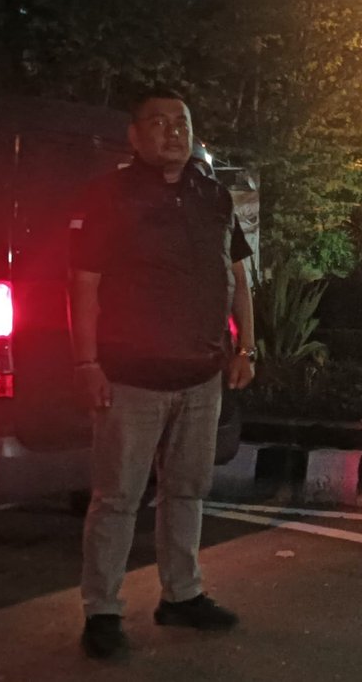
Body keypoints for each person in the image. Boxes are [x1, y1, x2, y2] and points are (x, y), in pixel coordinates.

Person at [68, 88, 257, 660]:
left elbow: (238, 277)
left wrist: (246, 348)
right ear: (134, 135)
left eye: (182, 122)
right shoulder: (109, 197)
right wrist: (86, 363)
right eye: (158, 122)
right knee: (116, 498)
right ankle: (102, 611)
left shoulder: (212, 196)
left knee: (187, 491)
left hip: (201, 375)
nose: (173, 132)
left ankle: (182, 594)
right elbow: (84, 285)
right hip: (131, 377)